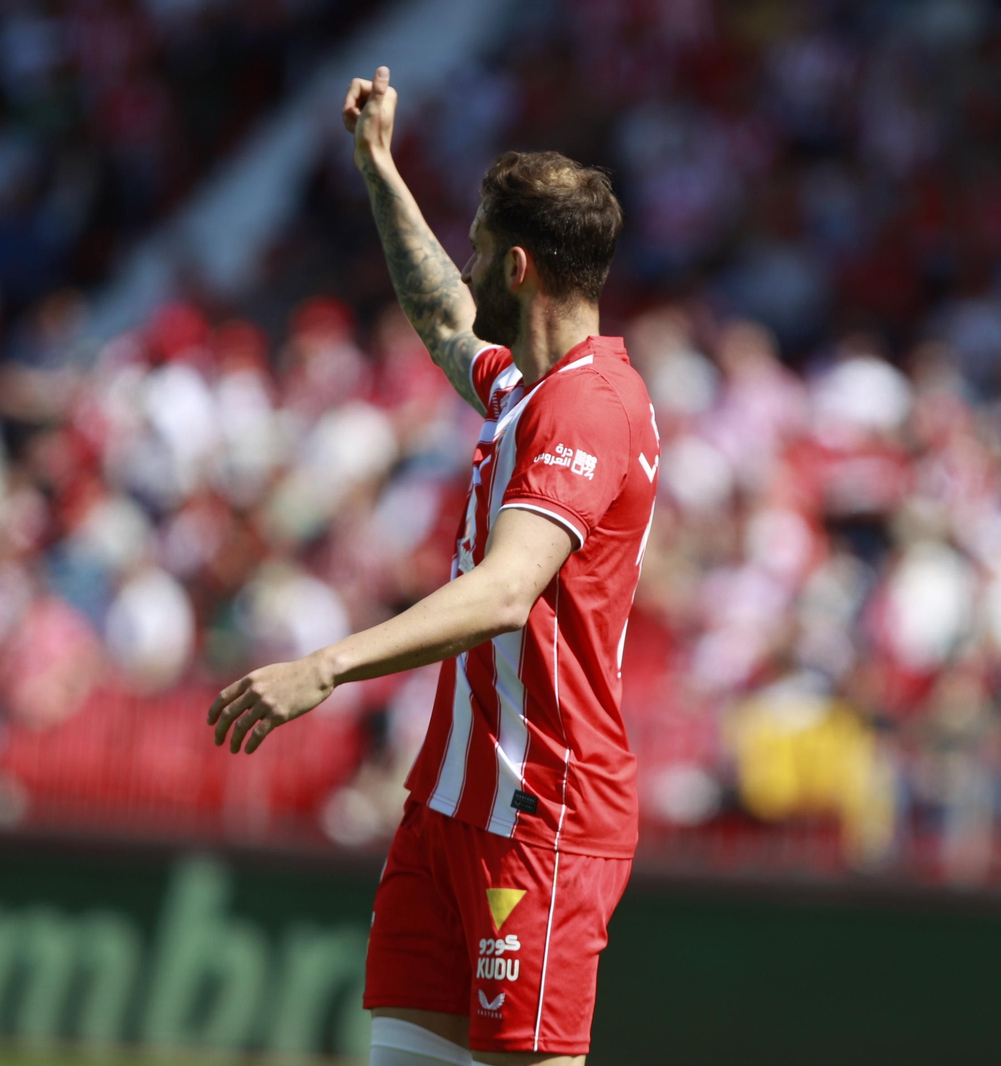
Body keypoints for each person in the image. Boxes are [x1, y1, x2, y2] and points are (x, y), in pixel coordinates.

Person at [207, 66, 658, 1066]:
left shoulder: (590, 406)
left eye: (479, 247)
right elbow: (442, 320)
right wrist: (378, 169)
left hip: (538, 814)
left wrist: (322, 666)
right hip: (448, 806)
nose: (466, 260)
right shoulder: (527, 390)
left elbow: (504, 593)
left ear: (520, 269)